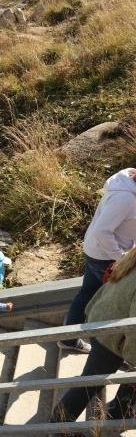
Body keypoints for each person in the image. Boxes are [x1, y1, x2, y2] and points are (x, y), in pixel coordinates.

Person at [50, 246, 136, 427]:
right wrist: (133, 360)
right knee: (89, 383)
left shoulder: (132, 256)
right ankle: (60, 424)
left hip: (102, 322)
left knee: (92, 379)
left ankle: (120, 411)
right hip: (110, 338)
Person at [59, 168, 136, 354]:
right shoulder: (125, 198)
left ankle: (69, 339)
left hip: (97, 252)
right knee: (112, 305)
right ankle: (105, 354)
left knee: (86, 294)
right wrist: (121, 257)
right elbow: (103, 230)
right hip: (106, 258)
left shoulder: (126, 185)